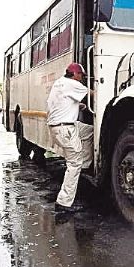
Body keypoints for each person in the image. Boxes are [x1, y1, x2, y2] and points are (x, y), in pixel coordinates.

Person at [47, 63, 94, 214]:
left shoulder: (59, 83)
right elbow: (93, 94)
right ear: (76, 74)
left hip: (59, 127)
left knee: (90, 132)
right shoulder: (72, 83)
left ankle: (85, 164)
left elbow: (62, 102)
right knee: (74, 164)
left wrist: (77, 106)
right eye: (81, 76)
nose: (82, 79)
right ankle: (64, 203)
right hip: (66, 129)